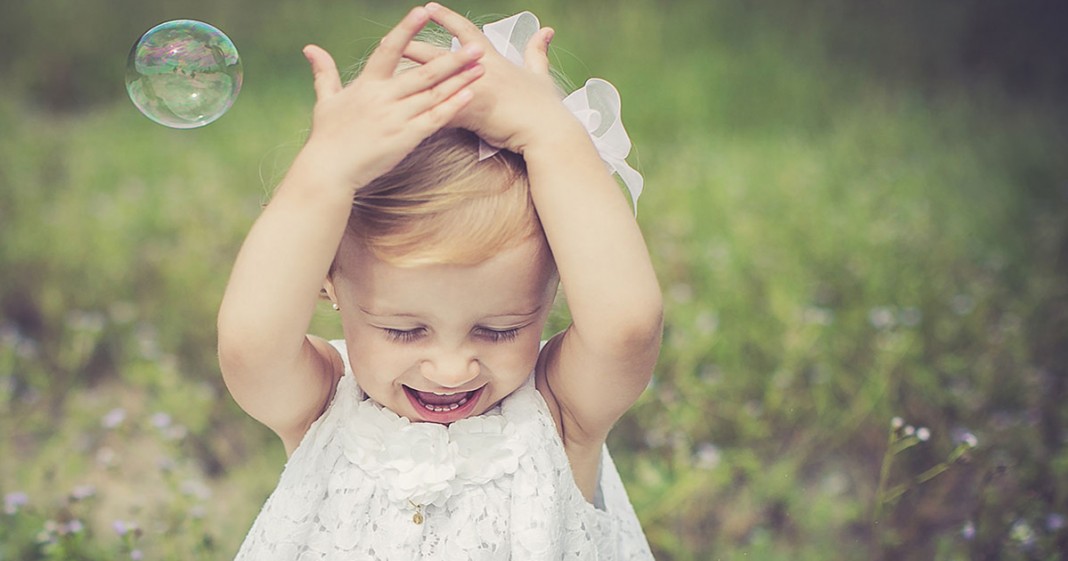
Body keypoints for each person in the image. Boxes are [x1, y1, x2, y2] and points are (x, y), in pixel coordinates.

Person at [218, 3, 662, 559]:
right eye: (404, 331)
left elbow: (627, 329)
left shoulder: (562, 412)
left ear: (553, 287)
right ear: (326, 280)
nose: (452, 369)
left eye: (499, 330)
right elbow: (248, 346)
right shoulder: (321, 404)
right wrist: (324, 172)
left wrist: (552, 137)